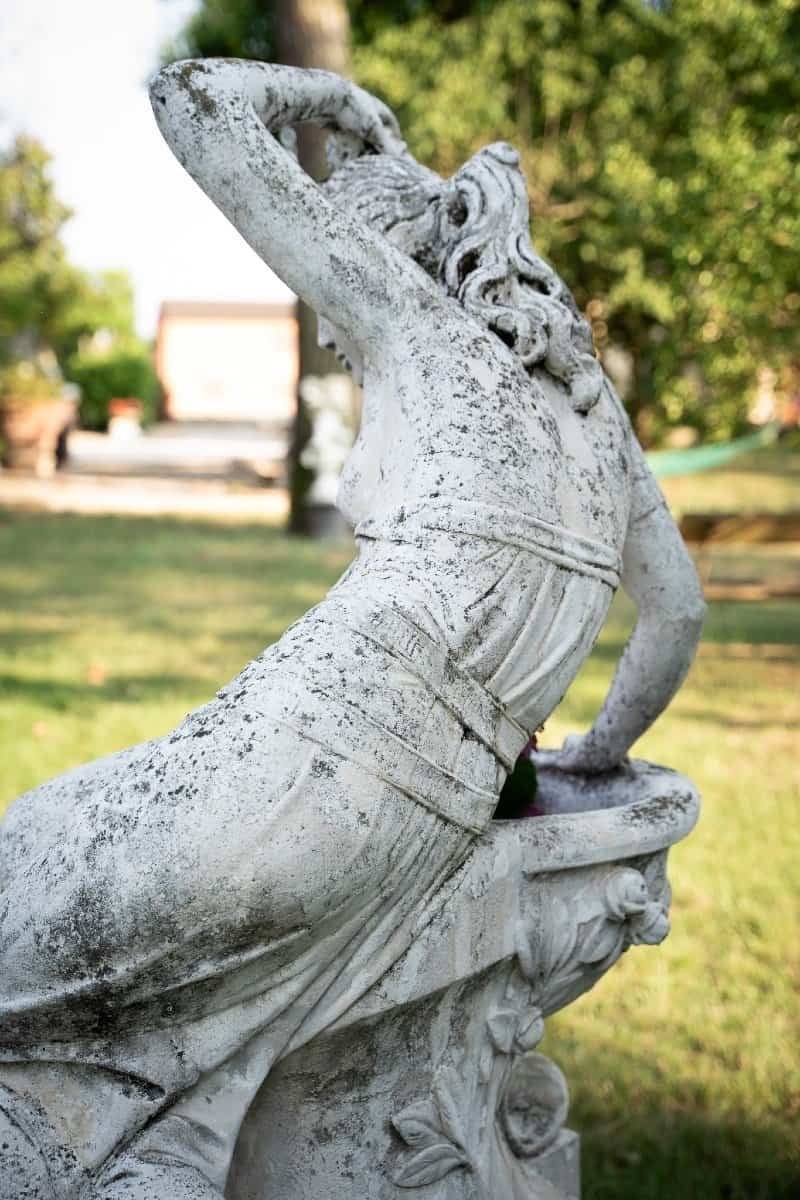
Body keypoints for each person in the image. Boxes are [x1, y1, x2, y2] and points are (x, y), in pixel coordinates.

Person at [0, 61, 705, 1198]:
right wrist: (593, 753)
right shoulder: (593, 415)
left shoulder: (416, 322)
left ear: (378, 256)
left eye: (331, 308)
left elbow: (191, 98)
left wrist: (331, 97)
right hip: (416, 820)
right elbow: (674, 616)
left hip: (286, 777)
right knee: (161, 1096)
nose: (333, 339)